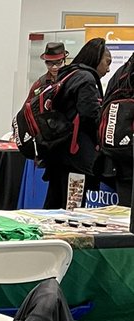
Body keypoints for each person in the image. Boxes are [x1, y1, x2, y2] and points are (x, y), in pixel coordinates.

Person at [41, 37, 111, 209]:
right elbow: (89, 115)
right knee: (72, 208)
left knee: (54, 204)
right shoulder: (86, 79)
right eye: (107, 62)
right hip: (76, 156)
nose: (108, 69)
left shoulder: (70, 75)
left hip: (59, 152)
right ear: (96, 59)